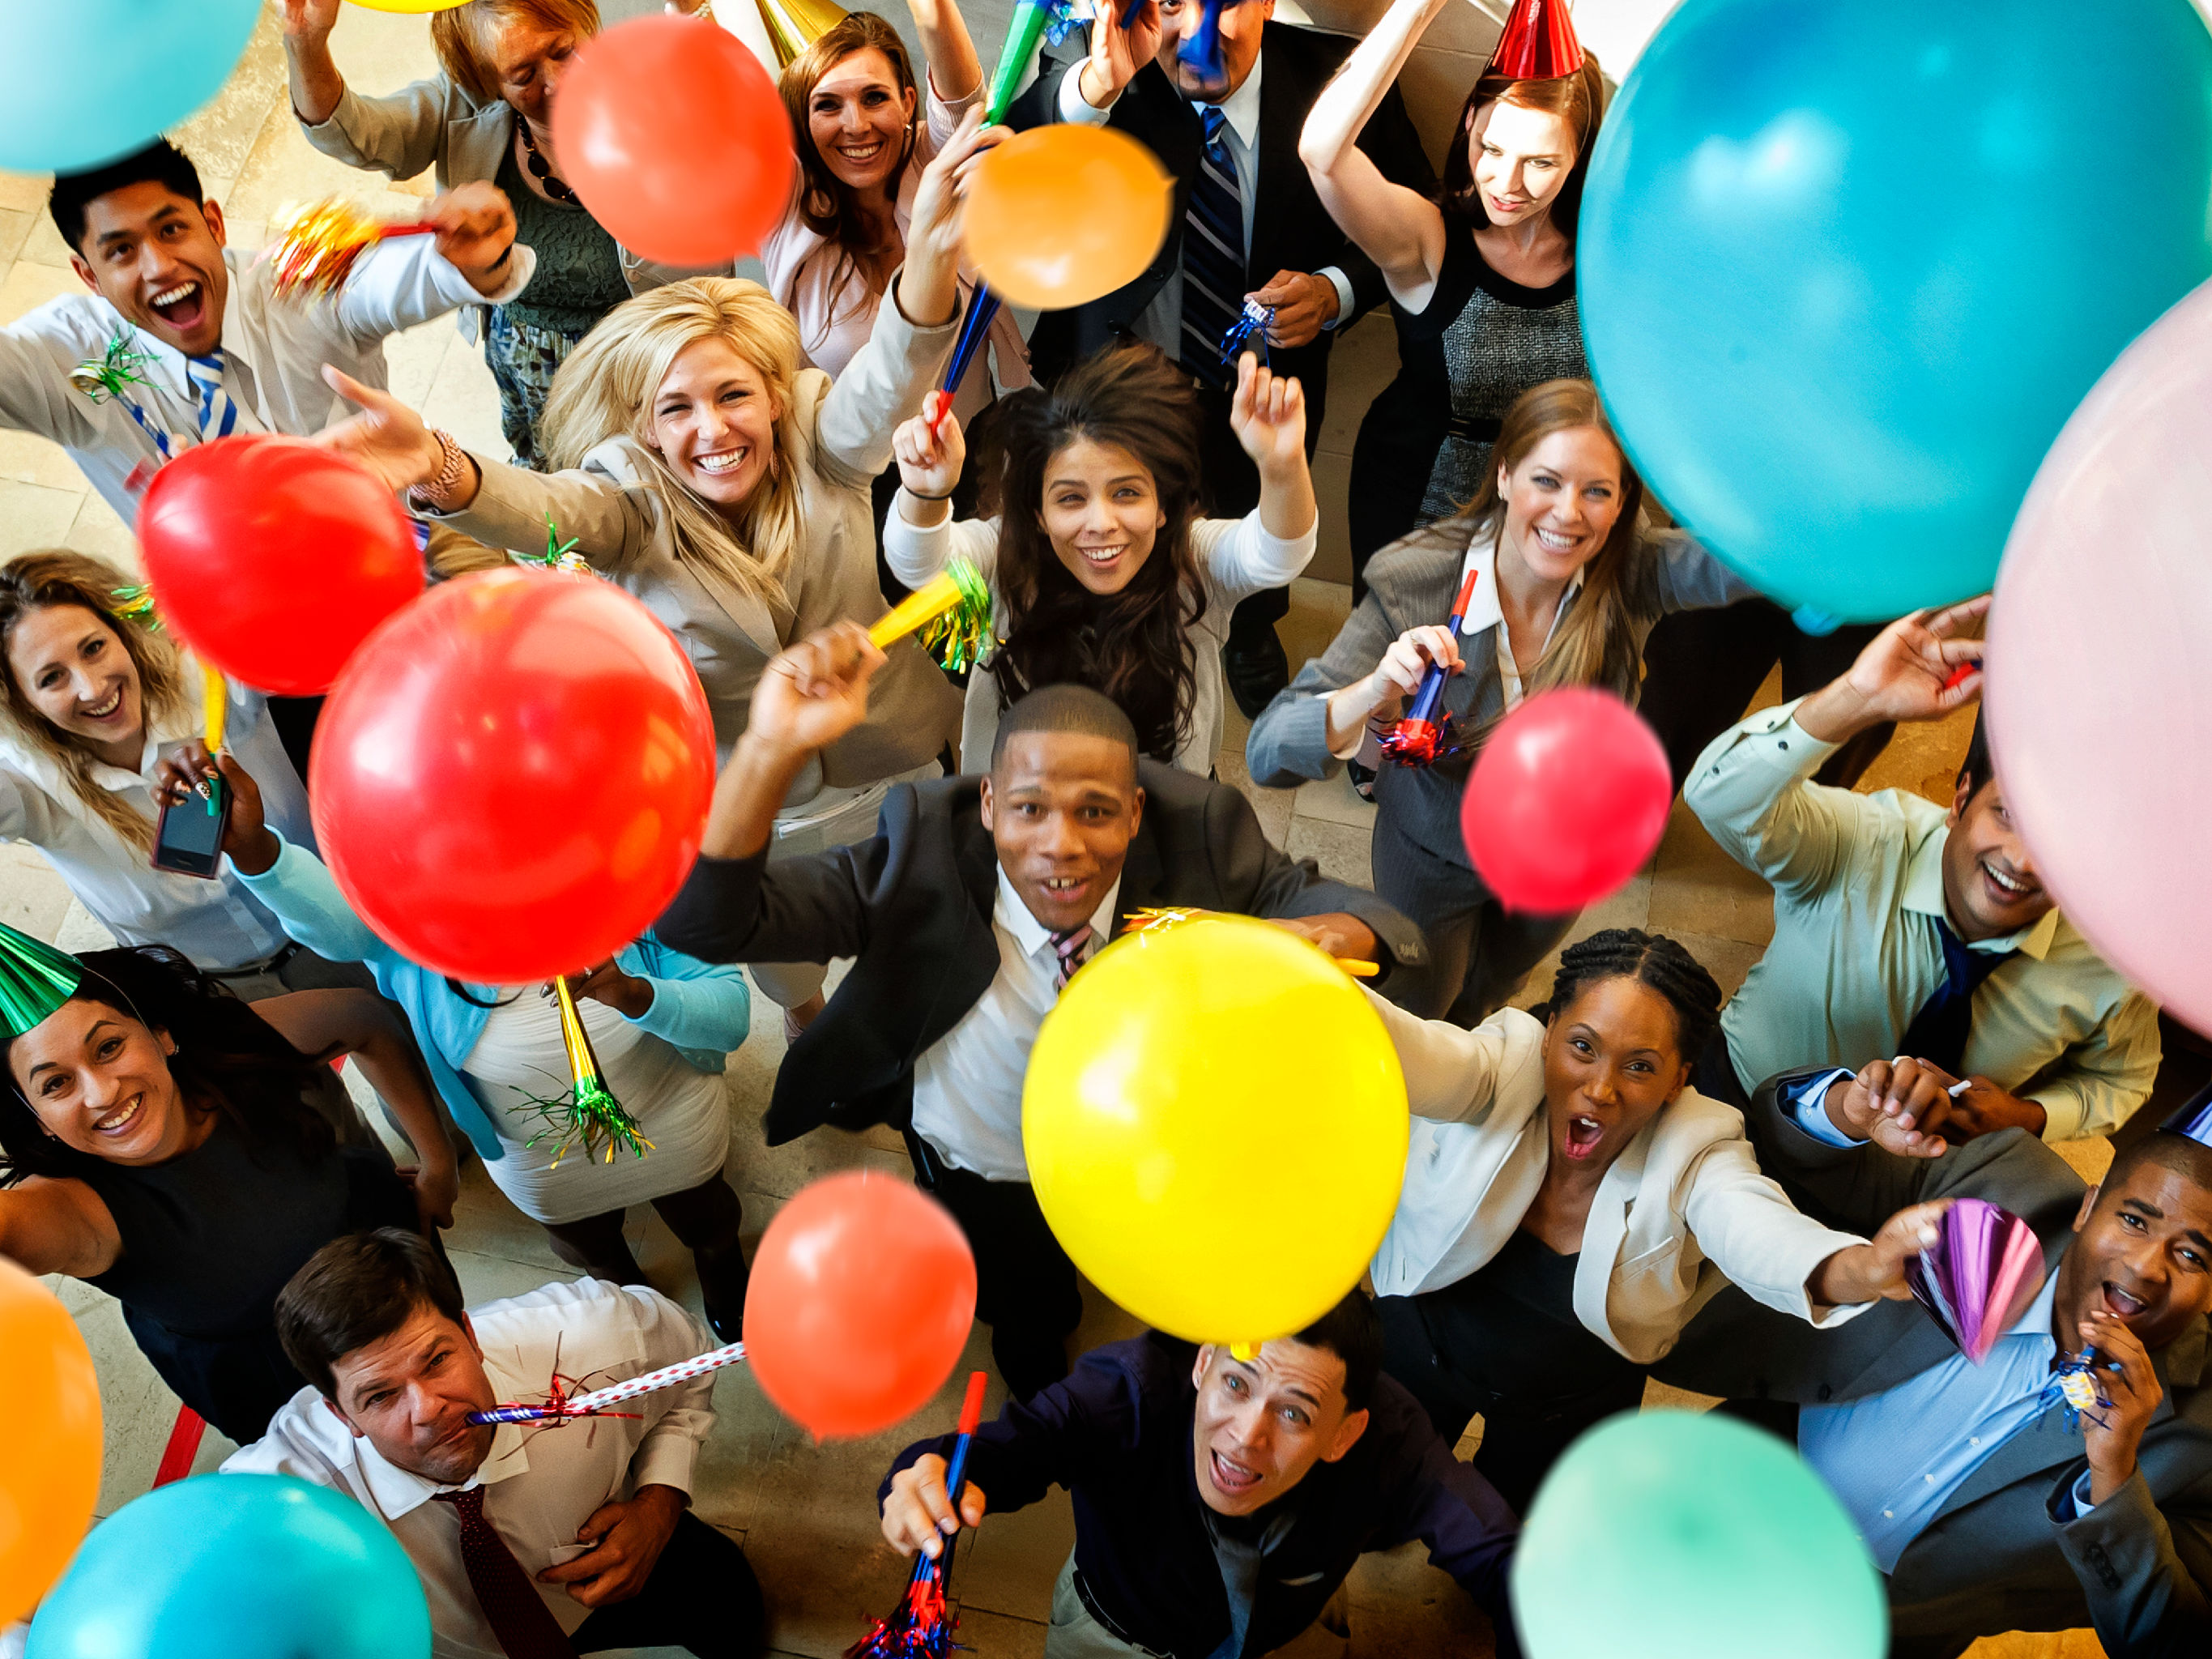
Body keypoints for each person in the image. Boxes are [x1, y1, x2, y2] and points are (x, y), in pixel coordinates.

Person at [313, 117, 988, 1020]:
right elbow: (536, 507)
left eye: (733, 394)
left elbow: (896, 368)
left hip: (890, 756)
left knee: (914, 926)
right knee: (789, 962)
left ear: (774, 394)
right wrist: (439, 465)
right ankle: (805, 1013)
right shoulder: (627, 497)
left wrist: (935, 249)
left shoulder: (826, 436)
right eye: (676, 408)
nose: (711, 429)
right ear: (642, 426)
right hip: (756, 804)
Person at [654, 631, 1423, 1396]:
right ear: (987, 805)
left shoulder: (1203, 837)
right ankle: (1032, 1347)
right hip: (983, 1157)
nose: (1061, 847)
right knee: (1020, 1297)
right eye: (1029, 809)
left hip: (1139, 1149)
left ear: (1135, 813)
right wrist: (765, 749)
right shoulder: (915, 851)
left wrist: (1328, 934)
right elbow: (703, 926)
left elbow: (1371, 919)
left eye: (1095, 813)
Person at [1366, 927, 1939, 1512]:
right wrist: (1309, 975)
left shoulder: (1699, 1145)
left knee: (1512, 1532)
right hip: (1416, 1341)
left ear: (1678, 1080)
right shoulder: (1501, 1062)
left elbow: (1758, 1232)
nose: (1599, 1089)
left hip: (1565, 1405)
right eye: (1582, 1047)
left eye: (1639, 1067)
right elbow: (1407, 1049)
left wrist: (1863, 1268)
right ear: (1548, 1036)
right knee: (1373, 1487)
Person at [198, 750, 754, 1343]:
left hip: (671, 1117)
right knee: (587, 1241)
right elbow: (339, 926)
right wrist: (256, 851)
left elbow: (730, 1019)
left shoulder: (648, 878)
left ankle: (719, 1262)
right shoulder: (416, 925)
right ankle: (624, 1295)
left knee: (706, 1213)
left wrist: (638, 993)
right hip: (538, 1156)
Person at [1653, 1071, 2212, 1659]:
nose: (2147, 1266)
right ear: (2088, 1206)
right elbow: (1791, 1148)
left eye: (2190, 1254)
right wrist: (1847, 1108)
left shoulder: (2201, 1436)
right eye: (2133, 1220)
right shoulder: (2002, 1183)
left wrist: (2114, 1477)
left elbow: (2171, 1640)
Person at [1247, 378, 1753, 1025]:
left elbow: (1759, 562)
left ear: (1622, 502)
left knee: (1493, 989)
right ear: (1505, 475)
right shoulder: (1420, 579)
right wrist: (1374, 689)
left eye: (1596, 490)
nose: (1569, 513)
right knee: (1423, 1002)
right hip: (1433, 851)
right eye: (1547, 481)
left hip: (1559, 856)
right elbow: (1268, 754)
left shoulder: (1630, 571)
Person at [1008, 0, 1435, 716]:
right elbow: (1009, 162)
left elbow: (1419, 210)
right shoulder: (1101, 65)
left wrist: (1334, 292)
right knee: (1108, 528)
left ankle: (1248, 630)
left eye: (1222, 4)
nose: (1193, 35)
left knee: (1254, 516)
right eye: (1172, 4)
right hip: (1111, 382)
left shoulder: (1344, 81)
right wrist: (1094, 90)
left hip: (1259, 387)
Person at [1686, 599, 2160, 1143]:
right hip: (1732, 1101)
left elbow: (2121, 1080)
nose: (2022, 861)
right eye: (2006, 816)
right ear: (1960, 800)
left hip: (1899, 1184)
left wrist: (2029, 1116)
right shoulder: (1866, 840)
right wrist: (1855, 699)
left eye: (2060, 845)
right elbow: (1718, 799)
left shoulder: (2114, 961)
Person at [879, 1292, 1522, 1659]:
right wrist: (922, 1476)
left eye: (1294, 1413)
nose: (1246, 1435)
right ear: (1203, 1364)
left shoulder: (1390, 1438)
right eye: (1236, 1384)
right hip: (1112, 1638)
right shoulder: (1125, 1391)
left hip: (1289, 1635)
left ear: (1344, 1434)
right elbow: (1020, 1444)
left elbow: (1499, 1555)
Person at [228, 1228, 762, 1658]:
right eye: (381, 1395)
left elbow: (690, 1365)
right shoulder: (278, 1502)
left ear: (470, 1333)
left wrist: (661, 1501)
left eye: (437, 1361)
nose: (428, 1410)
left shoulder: (599, 1337)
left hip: (629, 1560)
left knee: (729, 1608)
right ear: (339, 1415)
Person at [0, 934, 450, 1444]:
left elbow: (363, 1018)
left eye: (108, 1047)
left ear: (161, 1035)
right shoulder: (73, 1210)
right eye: (56, 1084)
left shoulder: (231, 1052)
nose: (102, 1093)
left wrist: (438, 1162)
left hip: (394, 1274)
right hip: (280, 1385)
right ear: (37, 1118)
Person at [0, 138, 529, 530]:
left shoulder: (299, 282)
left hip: (391, 565)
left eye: (171, 229)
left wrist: (462, 264)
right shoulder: (71, 356)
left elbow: (388, 281)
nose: (159, 266)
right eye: (121, 251)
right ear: (88, 276)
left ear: (213, 223)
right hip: (247, 652)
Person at [279, 0, 712, 467]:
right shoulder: (459, 106)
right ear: (488, 86)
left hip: (648, 359)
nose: (558, 81)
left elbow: (720, 100)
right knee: (552, 484)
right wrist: (307, 44)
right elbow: (355, 136)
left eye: (564, 50)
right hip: (530, 367)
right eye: (523, 76)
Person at [885, 343, 1315, 775]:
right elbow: (921, 563)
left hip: (1163, 809)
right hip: (1021, 814)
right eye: (1071, 498)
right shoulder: (1004, 557)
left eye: (1126, 493)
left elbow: (1276, 554)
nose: (1101, 522)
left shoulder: (1194, 559)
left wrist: (1283, 466)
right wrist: (926, 492)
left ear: (1163, 505)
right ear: (1038, 514)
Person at [1300, 0, 1601, 599]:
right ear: (1467, 123)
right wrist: (1415, 11)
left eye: (1540, 162)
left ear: (1579, 157)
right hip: (1421, 497)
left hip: (1554, 508)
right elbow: (1322, 153)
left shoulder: (1608, 253)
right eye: (1491, 149)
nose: (1506, 184)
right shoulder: (1427, 237)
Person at [0, 551, 341, 994]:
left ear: (121, 633)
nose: (92, 687)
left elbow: (320, 623)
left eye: (94, 648)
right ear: (21, 700)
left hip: (342, 928)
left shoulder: (207, 676)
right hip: (216, 997)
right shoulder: (28, 783)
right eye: (51, 678)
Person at [769, 4, 1024, 431]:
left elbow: (965, 106)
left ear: (908, 103)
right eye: (828, 106)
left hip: (970, 445)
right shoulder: (787, 202)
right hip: (845, 474)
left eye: (874, 98)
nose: (856, 125)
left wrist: (935, 9)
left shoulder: (934, 161)